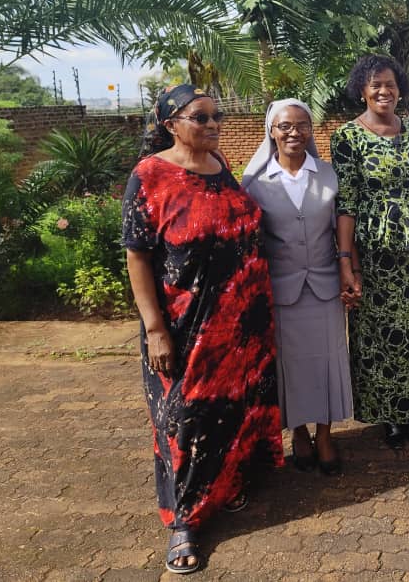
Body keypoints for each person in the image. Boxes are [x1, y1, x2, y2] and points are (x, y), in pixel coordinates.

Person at [123, 85, 283, 575]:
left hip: (242, 323)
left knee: (234, 411)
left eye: (217, 116)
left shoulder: (221, 167)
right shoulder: (150, 176)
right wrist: (154, 328)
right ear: (171, 124)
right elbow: (137, 255)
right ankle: (184, 522)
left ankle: (227, 485)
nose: (213, 125)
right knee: (184, 421)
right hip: (186, 327)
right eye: (201, 117)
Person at [330, 55, 409, 450]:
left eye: (391, 84)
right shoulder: (348, 137)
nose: (384, 91)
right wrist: (346, 262)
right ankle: (391, 416)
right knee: (382, 335)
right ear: (361, 89)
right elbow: (346, 203)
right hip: (378, 254)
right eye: (375, 84)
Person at [242, 99, 353, 476]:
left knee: (327, 363)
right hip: (281, 291)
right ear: (271, 131)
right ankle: (300, 433)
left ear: (310, 130)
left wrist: (348, 268)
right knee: (291, 367)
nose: (294, 133)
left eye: (302, 125)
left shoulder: (328, 174)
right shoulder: (254, 183)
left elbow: (344, 227)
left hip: (324, 287)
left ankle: (325, 435)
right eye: (285, 126)